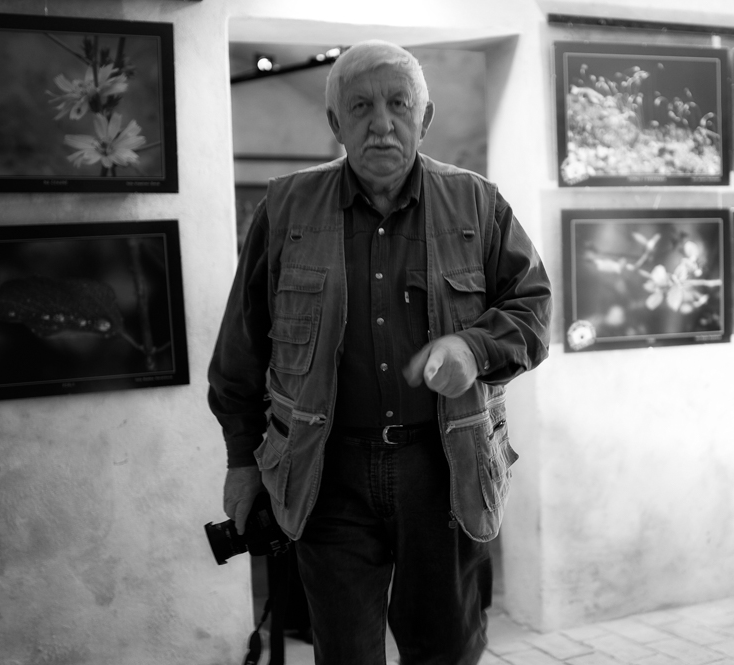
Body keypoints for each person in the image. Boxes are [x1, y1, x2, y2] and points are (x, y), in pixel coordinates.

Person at [208, 39, 551, 665]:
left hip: (444, 469)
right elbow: (241, 348)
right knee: (344, 653)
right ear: (335, 122)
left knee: (446, 648)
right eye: (361, 106)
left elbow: (533, 310)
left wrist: (473, 347)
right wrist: (241, 459)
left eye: (399, 104)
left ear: (425, 116)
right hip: (326, 471)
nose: (382, 123)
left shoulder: (477, 202)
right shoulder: (285, 208)